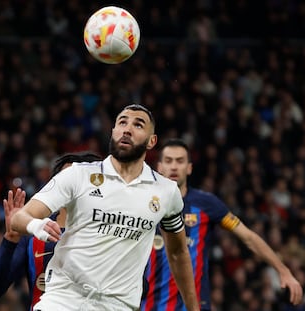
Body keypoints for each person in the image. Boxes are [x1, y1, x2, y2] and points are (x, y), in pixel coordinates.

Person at [11, 104, 200, 311]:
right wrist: (37, 225)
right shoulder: (78, 175)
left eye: (138, 125)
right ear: (113, 132)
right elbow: (19, 218)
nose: (127, 129)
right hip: (63, 301)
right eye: (122, 122)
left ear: (151, 141)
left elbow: (178, 252)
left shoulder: (166, 191)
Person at [140, 138, 303, 311]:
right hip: (150, 305)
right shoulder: (144, 203)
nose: (174, 166)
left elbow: (248, 237)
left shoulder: (206, 204)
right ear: (159, 167)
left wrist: (283, 270)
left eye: (180, 161)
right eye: (168, 160)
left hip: (196, 306)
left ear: (189, 168)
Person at [0, 152, 102, 310]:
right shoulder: (34, 231)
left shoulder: (110, 232)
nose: (68, 185)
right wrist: (11, 238)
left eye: (75, 178)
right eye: (63, 178)